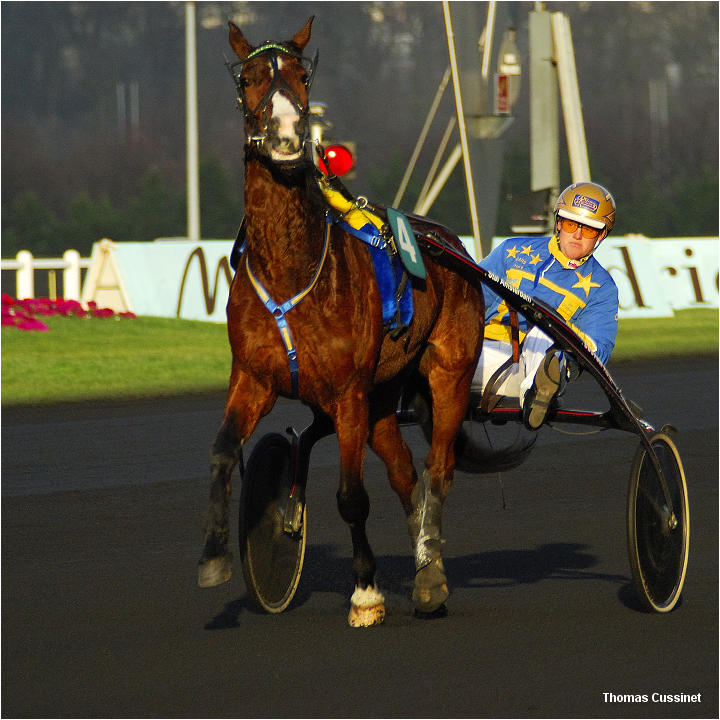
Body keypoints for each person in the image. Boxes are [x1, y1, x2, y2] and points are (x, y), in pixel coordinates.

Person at [471, 181, 619, 430]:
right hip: (482, 356)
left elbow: (598, 348)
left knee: (545, 328)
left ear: (602, 235)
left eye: (590, 229)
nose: (578, 235)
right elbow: (473, 300)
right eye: (571, 224)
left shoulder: (603, 287)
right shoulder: (511, 251)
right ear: (559, 222)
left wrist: (558, 336)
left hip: (533, 366)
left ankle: (537, 394)